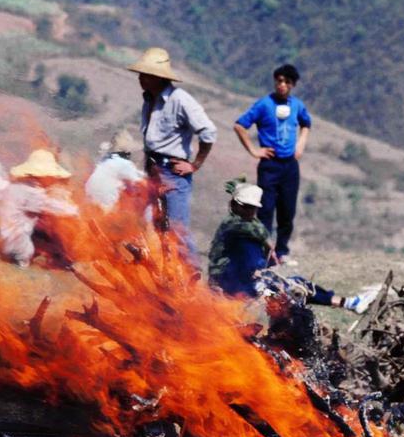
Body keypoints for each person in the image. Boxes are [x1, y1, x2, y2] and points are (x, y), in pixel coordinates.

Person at [208, 179, 374, 312]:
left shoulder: (249, 227)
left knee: (296, 285)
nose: (248, 211)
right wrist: (259, 276)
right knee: (293, 287)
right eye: (245, 206)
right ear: (234, 205)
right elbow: (248, 260)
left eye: (252, 208)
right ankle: (349, 303)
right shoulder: (237, 229)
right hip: (235, 287)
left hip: (239, 283)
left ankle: (348, 303)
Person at [128, 47, 217, 258]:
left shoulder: (180, 100)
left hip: (173, 170)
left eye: (146, 75)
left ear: (158, 77)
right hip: (154, 168)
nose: (141, 78)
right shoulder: (149, 100)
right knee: (155, 226)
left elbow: (208, 132)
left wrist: (195, 165)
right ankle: (164, 277)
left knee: (177, 229)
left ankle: (190, 277)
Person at [233, 64, 312, 264]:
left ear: (293, 85)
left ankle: (282, 251)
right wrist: (254, 150)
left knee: (287, 211)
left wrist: (300, 145)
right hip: (270, 165)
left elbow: (306, 124)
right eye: (279, 81)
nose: (282, 85)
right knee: (266, 209)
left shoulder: (297, 106)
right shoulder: (264, 105)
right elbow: (240, 125)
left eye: (286, 82)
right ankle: (265, 252)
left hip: (290, 165)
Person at [0, 148, 78, 268]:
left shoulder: (15, 187)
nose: (53, 179)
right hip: (18, 245)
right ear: (43, 175)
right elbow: (55, 207)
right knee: (57, 225)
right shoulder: (33, 192)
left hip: (3, 240)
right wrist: (77, 211)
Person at [84, 128, 148, 213]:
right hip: (106, 208)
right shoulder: (123, 164)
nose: (132, 143)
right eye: (129, 140)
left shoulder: (105, 162)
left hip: (89, 204)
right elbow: (143, 184)